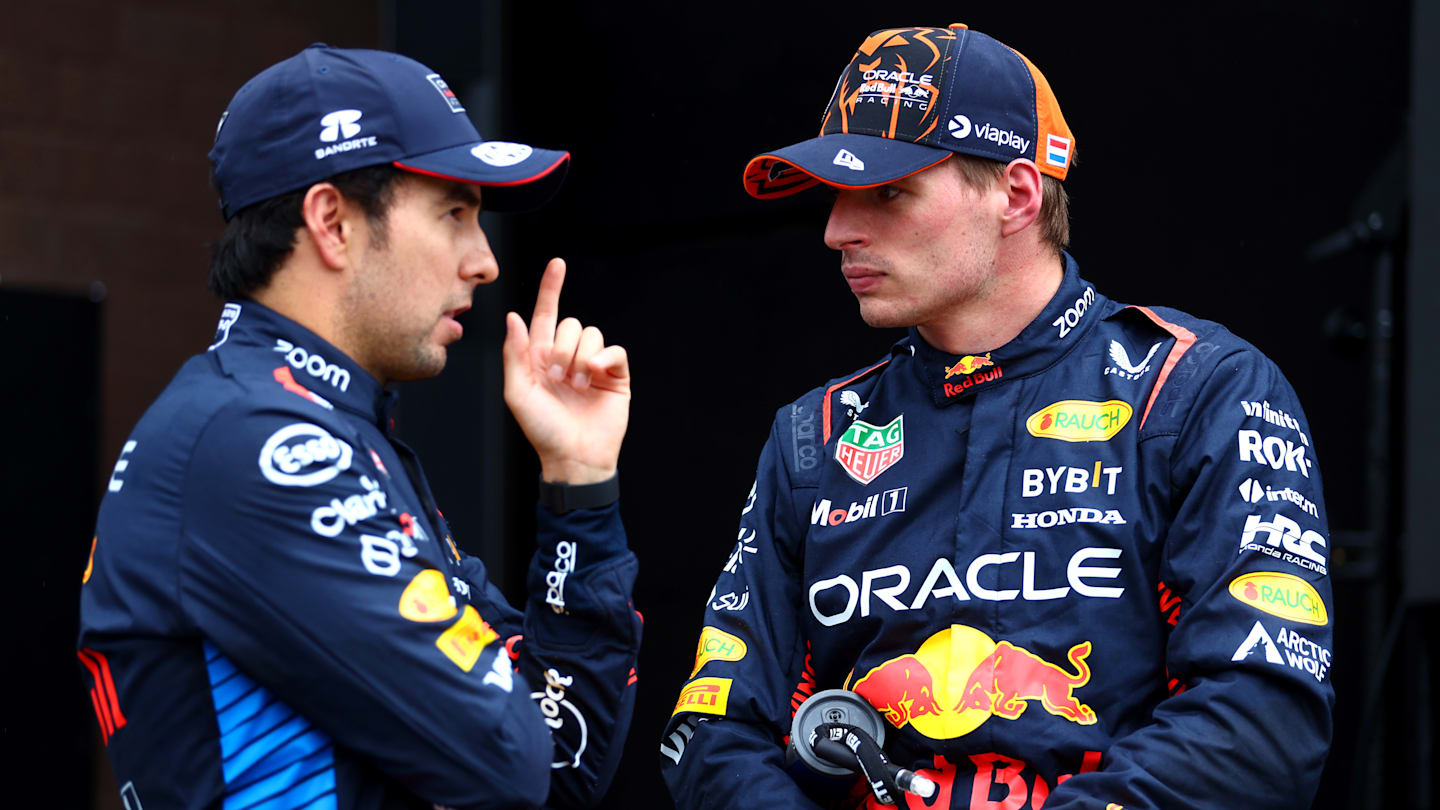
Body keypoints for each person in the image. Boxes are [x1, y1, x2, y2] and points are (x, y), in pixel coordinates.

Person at [661, 24, 1333, 809]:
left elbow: (1261, 723)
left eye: (886, 192)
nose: (837, 229)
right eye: (837, 195)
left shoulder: (1196, 391)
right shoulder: (816, 436)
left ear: (1017, 195)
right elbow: (711, 732)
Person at [77, 45, 641, 810]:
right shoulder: (254, 443)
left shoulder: (322, 427)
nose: (483, 261)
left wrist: (580, 486)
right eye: (454, 213)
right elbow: (512, 765)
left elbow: (561, 767)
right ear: (333, 223)